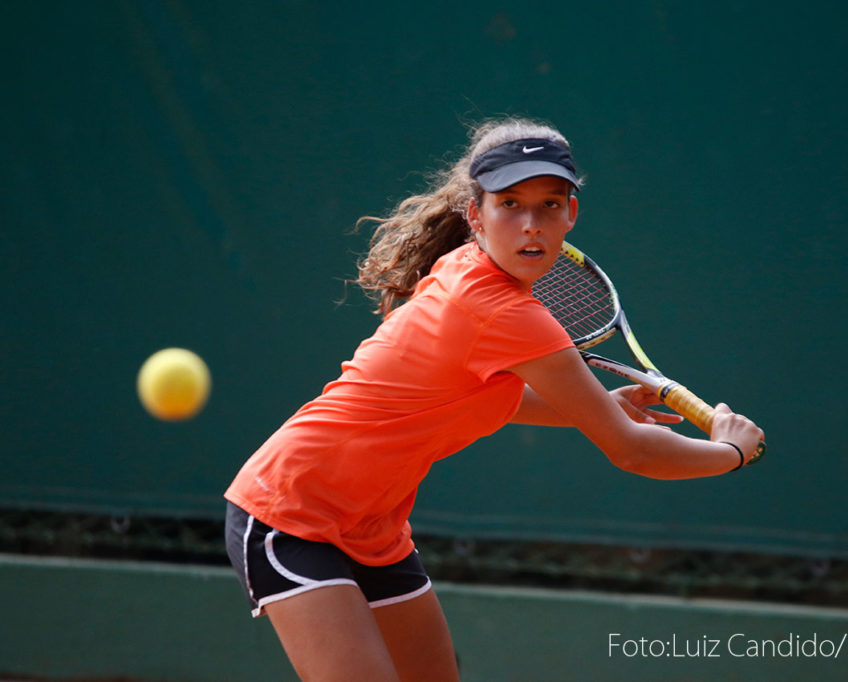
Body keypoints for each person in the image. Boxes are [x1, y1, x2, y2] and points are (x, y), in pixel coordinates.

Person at [224, 117, 765, 681]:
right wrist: (730, 453)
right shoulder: (507, 313)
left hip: (371, 525)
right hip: (291, 509)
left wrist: (595, 406)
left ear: (571, 214)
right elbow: (632, 451)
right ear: (475, 215)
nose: (531, 224)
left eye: (549, 205)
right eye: (510, 204)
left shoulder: (466, 265)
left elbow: (474, 396)